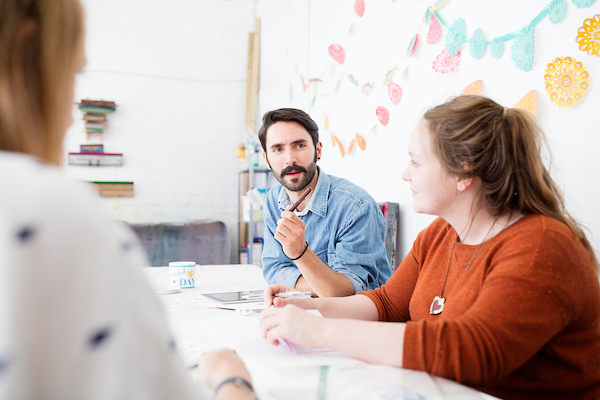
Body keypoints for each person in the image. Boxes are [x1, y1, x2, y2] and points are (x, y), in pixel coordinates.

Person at [259, 96, 600, 399]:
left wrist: (322, 330)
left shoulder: (542, 246)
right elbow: (388, 304)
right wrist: (307, 309)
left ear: (462, 172)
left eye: (416, 162)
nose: (405, 174)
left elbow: (468, 351)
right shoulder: (441, 232)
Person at [0, 1, 254, 399]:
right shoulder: (54, 211)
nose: (69, 114)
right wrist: (232, 380)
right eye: (72, 74)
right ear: (26, 53)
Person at [258, 108, 392, 297]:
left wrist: (300, 253)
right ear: (266, 159)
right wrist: (320, 286)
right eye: (278, 149)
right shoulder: (273, 200)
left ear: (318, 150)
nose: (290, 159)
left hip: (358, 321)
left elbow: (345, 295)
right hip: (310, 313)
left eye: (299, 145)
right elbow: (273, 269)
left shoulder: (356, 207)